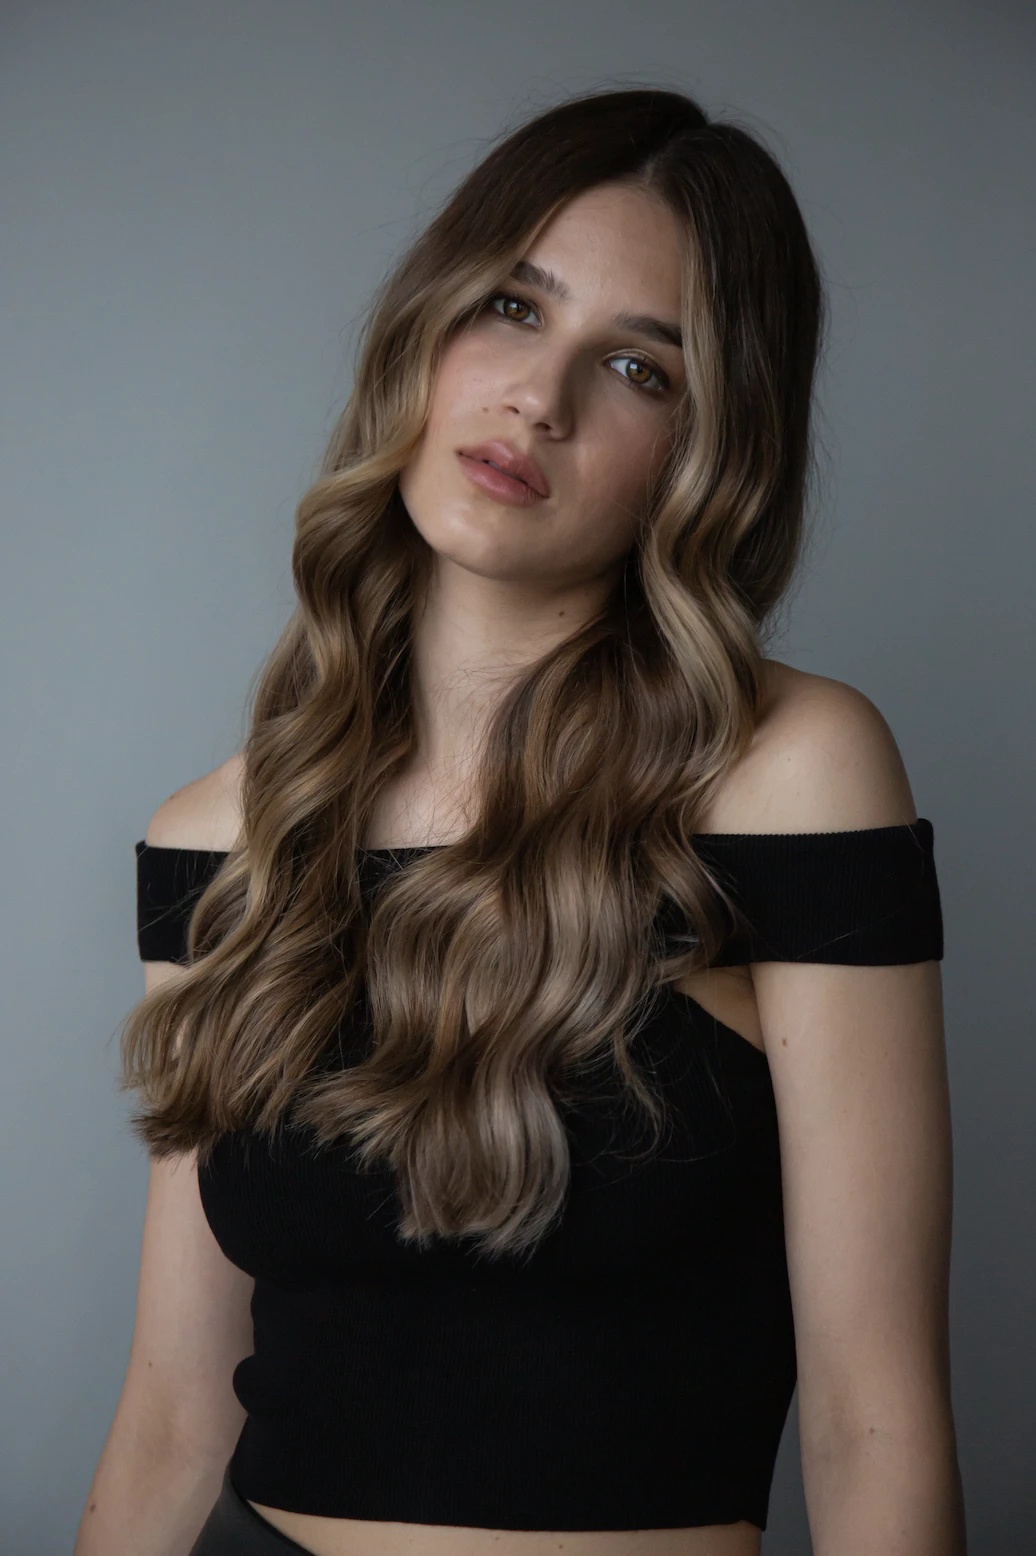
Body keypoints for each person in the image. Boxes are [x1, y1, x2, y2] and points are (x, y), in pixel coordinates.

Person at [75, 87, 966, 1556]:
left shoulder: (794, 773)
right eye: (511, 306)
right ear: (425, 329)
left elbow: (874, 1417)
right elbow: (173, 1416)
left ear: (708, 449)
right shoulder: (222, 836)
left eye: (637, 368)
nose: (539, 401)